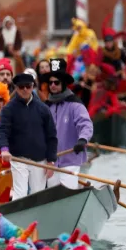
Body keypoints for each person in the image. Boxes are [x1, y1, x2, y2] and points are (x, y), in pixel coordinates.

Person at [0, 73, 58, 199]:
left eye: (28, 86)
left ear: (33, 87)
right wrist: (4, 149)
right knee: (20, 194)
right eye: (21, 86)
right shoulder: (8, 109)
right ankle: (17, 217)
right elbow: (2, 131)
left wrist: (51, 161)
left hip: (40, 160)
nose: (25, 89)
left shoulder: (43, 109)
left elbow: (51, 136)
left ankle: (37, 218)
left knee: (38, 195)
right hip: (18, 159)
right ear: (16, 88)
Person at [42, 59, 93, 189]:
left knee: (67, 193)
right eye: (50, 82)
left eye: (56, 82)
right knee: (53, 197)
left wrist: (83, 139)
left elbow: (86, 124)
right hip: (51, 161)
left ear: (63, 83)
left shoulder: (75, 104)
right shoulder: (46, 107)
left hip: (71, 159)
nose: (52, 85)